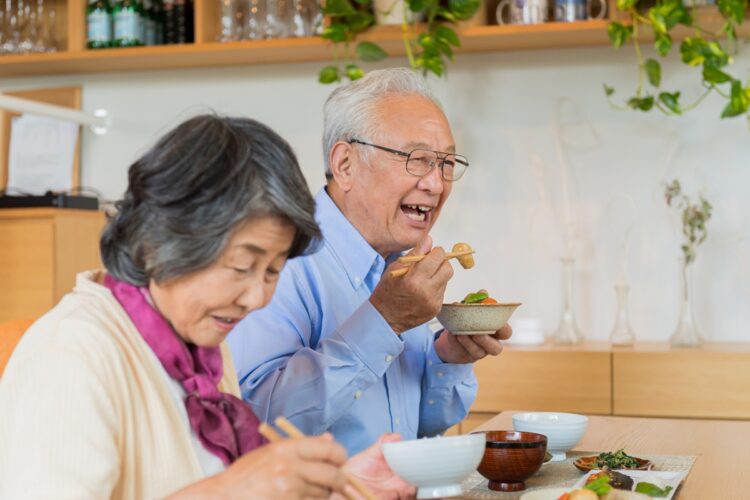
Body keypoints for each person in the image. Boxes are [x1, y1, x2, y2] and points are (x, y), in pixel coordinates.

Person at [0, 114, 413, 499]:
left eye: (272, 271)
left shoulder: (203, 351)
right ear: (161, 240)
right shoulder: (72, 354)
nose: (256, 299)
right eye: (240, 266)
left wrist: (339, 484)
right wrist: (233, 489)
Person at [228, 68, 512, 455]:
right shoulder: (283, 257)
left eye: (446, 163)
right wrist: (384, 320)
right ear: (345, 164)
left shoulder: (400, 261)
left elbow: (418, 426)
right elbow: (258, 425)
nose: (436, 184)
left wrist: (448, 356)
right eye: (417, 159)